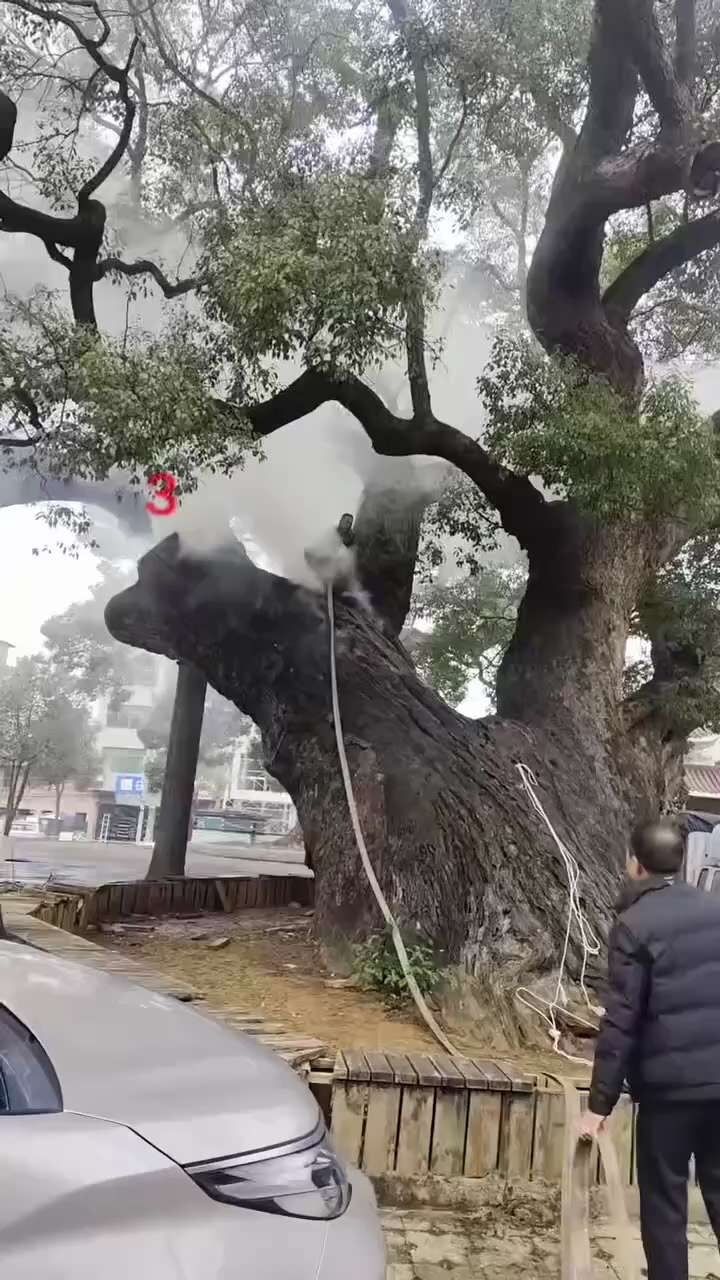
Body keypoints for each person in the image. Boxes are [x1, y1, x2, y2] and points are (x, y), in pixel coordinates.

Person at [579, 819, 720, 1280]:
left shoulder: (633, 925)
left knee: (664, 1205)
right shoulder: (714, 910)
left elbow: (622, 1020)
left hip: (669, 1094)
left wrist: (599, 1104)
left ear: (635, 865)